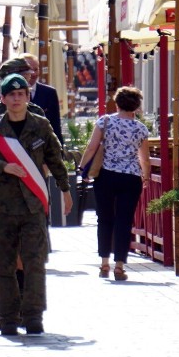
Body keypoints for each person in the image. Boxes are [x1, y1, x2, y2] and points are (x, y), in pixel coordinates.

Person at [0, 74, 71, 336]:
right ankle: (8, 316)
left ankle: (33, 315)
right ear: (2, 98)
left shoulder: (41, 126)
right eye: (10, 95)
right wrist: (2, 166)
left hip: (33, 206)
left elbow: (55, 159)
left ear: (27, 97)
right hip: (2, 206)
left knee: (34, 262)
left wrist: (66, 190)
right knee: (3, 263)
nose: (16, 98)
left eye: (21, 94)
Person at [78, 86, 150, 282]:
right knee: (124, 221)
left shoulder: (105, 122)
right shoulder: (141, 129)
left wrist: (82, 167)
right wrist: (146, 176)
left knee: (105, 218)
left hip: (106, 176)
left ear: (117, 103)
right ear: (136, 106)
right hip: (131, 178)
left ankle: (104, 263)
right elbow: (144, 159)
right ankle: (119, 265)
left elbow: (92, 147)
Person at [19, 53, 63, 143]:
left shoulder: (49, 93)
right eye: (30, 70)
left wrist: (60, 153)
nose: (34, 73)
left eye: (36, 69)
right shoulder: (12, 94)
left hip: (44, 151)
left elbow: (56, 127)